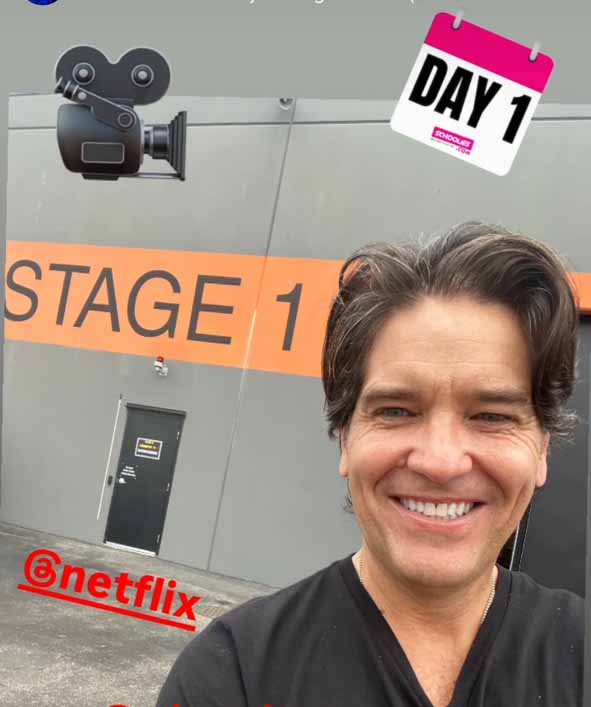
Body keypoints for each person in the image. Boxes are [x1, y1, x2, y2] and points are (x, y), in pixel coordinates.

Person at [156, 222, 584, 707]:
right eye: (397, 411)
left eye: (492, 416)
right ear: (345, 437)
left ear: (542, 449)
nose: (440, 462)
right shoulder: (233, 675)